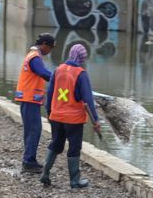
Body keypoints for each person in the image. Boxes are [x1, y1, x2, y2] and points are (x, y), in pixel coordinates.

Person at [40, 43, 102, 189]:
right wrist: (96, 120)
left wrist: (50, 113)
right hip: (73, 119)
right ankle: (75, 180)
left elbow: (50, 93)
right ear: (82, 58)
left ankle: (45, 173)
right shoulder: (80, 73)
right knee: (74, 148)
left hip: (56, 116)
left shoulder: (58, 70)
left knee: (56, 144)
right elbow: (88, 99)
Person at [15, 33, 55, 173]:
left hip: (30, 100)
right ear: (44, 44)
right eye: (50, 47)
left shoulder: (32, 55)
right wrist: (60, 78)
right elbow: (43, 73)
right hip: (29, 99)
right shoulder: (35, 57)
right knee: (34, 130)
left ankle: (29, 160)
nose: (50, 51)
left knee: (31, 130)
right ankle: (28, 162)